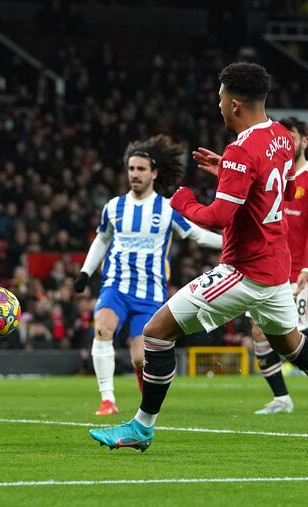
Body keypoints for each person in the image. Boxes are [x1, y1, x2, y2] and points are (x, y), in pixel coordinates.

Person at [90, 62, 308, 452]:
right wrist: (226, 170)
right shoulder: (280, 138)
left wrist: (182, 200)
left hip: (244, 271)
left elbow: (219, 218)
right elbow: (274, 184)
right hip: (275, 269)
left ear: (236, 103)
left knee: (155, 334)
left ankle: (141, 427)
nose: (219, 105)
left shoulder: (241, 149)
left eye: (221, 98)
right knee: (292, 344)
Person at [195, 117, 308, 415]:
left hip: (298, 271)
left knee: (291, 340)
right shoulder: (269, 166)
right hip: (266, 263)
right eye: (285, 137)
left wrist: (307, 270)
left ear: (305, 141)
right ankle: (282, 398)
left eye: (293, 137)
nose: (287, 142)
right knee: (259, 334)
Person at [73, 134, 222, 416]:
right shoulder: (114, 206)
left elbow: (198, 236)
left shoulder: (167, 208)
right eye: (131, 169)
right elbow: (102, 240)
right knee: (102, 328)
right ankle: (107, 400)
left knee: (141, 358)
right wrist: (85, 272)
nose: (135, 174)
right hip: (115, 285)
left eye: (141, 169)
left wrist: (231, 243)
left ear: (154, 173)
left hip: (150, 293)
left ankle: (144, 387)